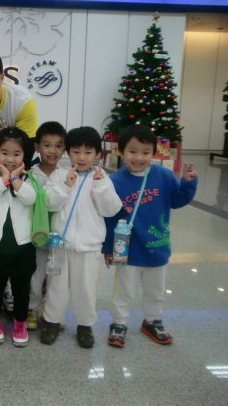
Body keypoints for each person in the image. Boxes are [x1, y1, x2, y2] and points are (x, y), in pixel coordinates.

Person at [103, 125, 197, 348]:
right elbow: (110, 217)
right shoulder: (115, 181)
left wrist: (187, 183)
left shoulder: (163, 175)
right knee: (124, 290)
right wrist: (107, 248)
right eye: (132, 151)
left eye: (145, 152)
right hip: (127, 249)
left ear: (154, 153)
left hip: (157, 245)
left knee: (156, 290)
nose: (139, 157)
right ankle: (119, 322)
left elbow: (177, 201)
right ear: (121, 151)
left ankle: (152, 320)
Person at [40, 126, 122, 348]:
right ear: (68, 152)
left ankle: (85, 325)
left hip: (89, 247)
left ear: (98, 154)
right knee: (55, 285)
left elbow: (111, 210)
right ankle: (52, 321)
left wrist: (101, 186)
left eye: (88, 152)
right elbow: (48, 202)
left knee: (85, 288)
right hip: (58, 245)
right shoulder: (59, 175)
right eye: (76, 152)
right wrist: (66, 186)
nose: (82, 157)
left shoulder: (102, 178)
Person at [0, 127, 37, 347]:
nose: (10, 159)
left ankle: (20, 322)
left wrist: (15, 179)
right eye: (4, 153)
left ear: (25, 155)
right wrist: (4, 179)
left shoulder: (29, 176)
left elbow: (31, 198)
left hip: (23, 246)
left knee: (22, 288)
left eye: (16, 154)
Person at [26, 121, 67, 330]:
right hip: (35, 236)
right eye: (47, 145)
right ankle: (31, 309)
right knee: (35, 276)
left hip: (58, 238)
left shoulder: (66, 175)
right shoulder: (30, 174)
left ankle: (52, 311)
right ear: (37, 147)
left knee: (55, 277)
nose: (53, 151)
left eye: (58, 146)